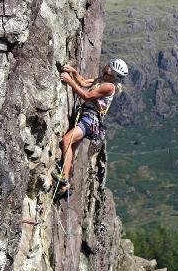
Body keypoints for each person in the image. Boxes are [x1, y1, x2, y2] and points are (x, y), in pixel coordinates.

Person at [52, 58, 128, 195]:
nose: (105, 66)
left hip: (89, 120)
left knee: (66, 141)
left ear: (112, 72)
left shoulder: (109, 87)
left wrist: (69, 81)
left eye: (108, 66)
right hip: (87, 117)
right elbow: (82, 82)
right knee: (71, 149)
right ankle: (65, 186)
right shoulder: (102, 80)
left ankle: (63, 178)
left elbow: (86, 96)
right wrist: (74, 72)